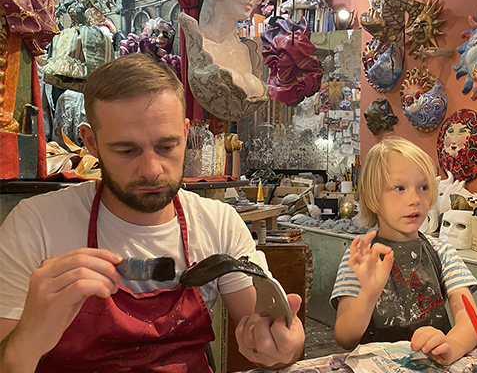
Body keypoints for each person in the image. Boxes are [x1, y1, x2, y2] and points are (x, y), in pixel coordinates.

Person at [0, 54, 304, 371]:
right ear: (92, 142)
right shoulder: (36, 225)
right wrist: (30, 336)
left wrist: (279, 347)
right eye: (126, 150)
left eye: (166, 146)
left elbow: (264, 329)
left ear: (186, 134)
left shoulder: (218, 224)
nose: (151, 169)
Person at [329, 137, 477, 365]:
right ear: (372, 197)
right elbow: (345, 337)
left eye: (423, 187)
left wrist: (450, 347)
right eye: (399, 188)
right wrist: (368, 294)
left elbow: (470, 320)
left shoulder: (442, 252)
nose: (415, 199)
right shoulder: (362, 258)